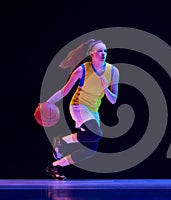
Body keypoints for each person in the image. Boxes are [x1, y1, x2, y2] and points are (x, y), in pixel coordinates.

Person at [44, 39, 119, 180]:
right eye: (99, 51)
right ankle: (62, 141)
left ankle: (54, 165)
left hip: (93, 110)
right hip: (79, 106)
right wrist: (47, 102)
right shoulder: (83, 69)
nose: (103, 54)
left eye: (105, 51)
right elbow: (64, 91)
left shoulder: (113, 71)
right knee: (97, 134)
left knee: (91, 150)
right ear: (91, 54)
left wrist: (105, 88)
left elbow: (113, 100)